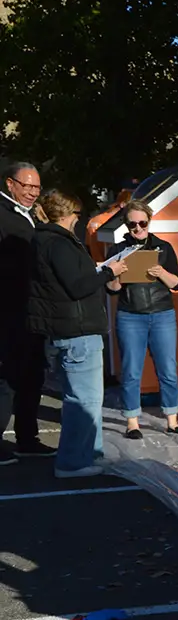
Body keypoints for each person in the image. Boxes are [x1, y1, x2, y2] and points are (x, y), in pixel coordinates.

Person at [26, 190, 128, 478]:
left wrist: (99, 271)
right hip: (77, 330)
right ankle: (72, 462)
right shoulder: (58, 243)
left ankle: (89, 454)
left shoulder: (44, 239)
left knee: (84, 400)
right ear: (67, 214)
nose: (78, 220)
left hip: (68, 329)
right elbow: (77, 286)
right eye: (77, 215)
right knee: (83, 403)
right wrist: (108, 272)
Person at [105, 200, 178, 439]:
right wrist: (117, 274)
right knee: (131, 370)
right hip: (130, 315)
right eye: (133, 224)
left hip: (162, 313)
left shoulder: (164, 247)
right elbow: (111, 289)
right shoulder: (117, 250)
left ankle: (172, 420)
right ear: (126, 225)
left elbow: (177, 283)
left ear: (149, 222)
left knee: (168, 369)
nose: (138, 228)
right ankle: (132, 423)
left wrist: (161, 273)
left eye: (142, 223)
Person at [0, 161, 56, 464]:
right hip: (9, 311)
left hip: (34, 311)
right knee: (7, 378)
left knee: (33, 375)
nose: (33, 192)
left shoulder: (33, 215)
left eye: (37, 187)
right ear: (10, 184)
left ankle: (27, 437)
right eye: (27, 186)